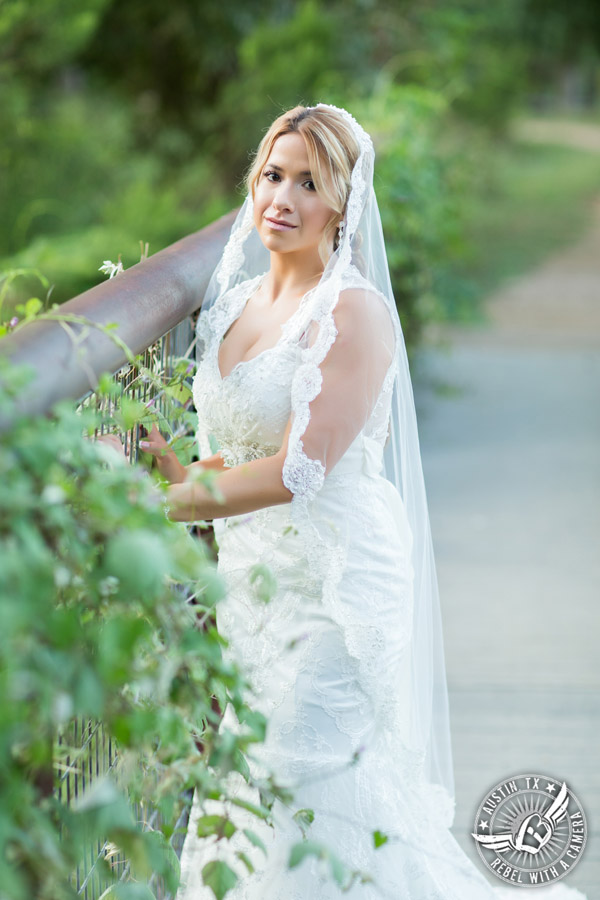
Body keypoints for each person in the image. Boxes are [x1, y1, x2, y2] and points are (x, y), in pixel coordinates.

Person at [141, 104, 587, 899]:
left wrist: (183, 500)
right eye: (273, 174)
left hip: (334, 585)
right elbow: (243, 450)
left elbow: (299, 470)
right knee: (249, 784)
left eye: (309, 183)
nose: (282, 196)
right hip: (254, 586)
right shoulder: (235, 303)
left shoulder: (353, 313)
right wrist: (180, 468)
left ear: (342, 205)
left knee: (303, 775)